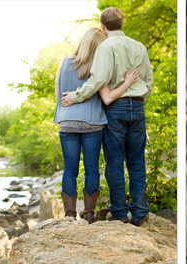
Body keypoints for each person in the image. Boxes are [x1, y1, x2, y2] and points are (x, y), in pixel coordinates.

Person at [60, 7, 154, 226]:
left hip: (115, 108)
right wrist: (138, 102)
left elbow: (98, 80)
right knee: (137, 161)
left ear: (103, 26)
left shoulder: (105, 46)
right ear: (122, 24)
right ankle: (140, 212)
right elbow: (148, 81)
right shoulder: (139, 47)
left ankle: (120, 213)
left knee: (114, 162)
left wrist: (75, 96)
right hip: (137, 107)